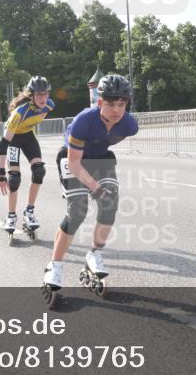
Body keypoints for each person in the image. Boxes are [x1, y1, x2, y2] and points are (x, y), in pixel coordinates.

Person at [43, 74, 138, 291]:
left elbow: (106, 142)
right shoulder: (84, 121)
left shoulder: (130, 125)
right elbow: (75, 163)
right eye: (111, 104)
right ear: (100, 102)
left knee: (110, 202)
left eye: (121, 104)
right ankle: (54, 266)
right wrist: (94, 187)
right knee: (77, 211)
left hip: (100, 157)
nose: (116, 110)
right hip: (73, 158)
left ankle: (94, 253)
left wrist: (103, 189)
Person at [0, 76, 55, 238]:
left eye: (46, 94)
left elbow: (32, 123)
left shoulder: (49, 106)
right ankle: (11, 216)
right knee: (14, 178)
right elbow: (3, 145)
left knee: (39, 171)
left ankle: (29, 212)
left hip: (28, 137)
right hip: (13, 139)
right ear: (31, 95)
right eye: (39, 95)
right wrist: (1, 174)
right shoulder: (19, 113)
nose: (43, 99)